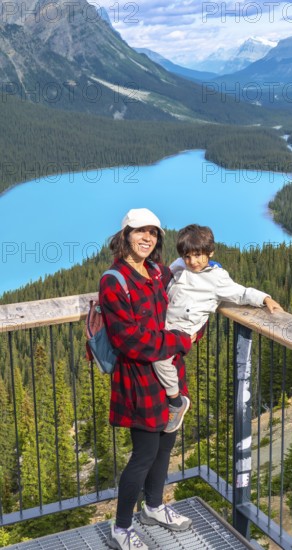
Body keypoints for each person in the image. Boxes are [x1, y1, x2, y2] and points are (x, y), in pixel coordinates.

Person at [99, 208, 194, 550]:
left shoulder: (157, 271)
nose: (147, 238)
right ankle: (121, 527)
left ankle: (154, 507)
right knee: (144, 453)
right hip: (138, 380)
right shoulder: (114, 281)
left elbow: (184, 302)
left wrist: (197, 321)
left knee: (166, 446)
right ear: (125, 235)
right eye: (140, 231)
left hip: (167, 373)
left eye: (153, 232)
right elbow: (130, 340)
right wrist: (183, 341)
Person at [152, 224, 283, 433]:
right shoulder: (179, 266)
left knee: (158, 359)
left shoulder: (217, 278)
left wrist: (265, 298)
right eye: (187, 256)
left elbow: (241, 293)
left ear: (210, 252)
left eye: (198, 255)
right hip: (163, 326)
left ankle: (176, 402)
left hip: (182, 332)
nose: (192, 261)